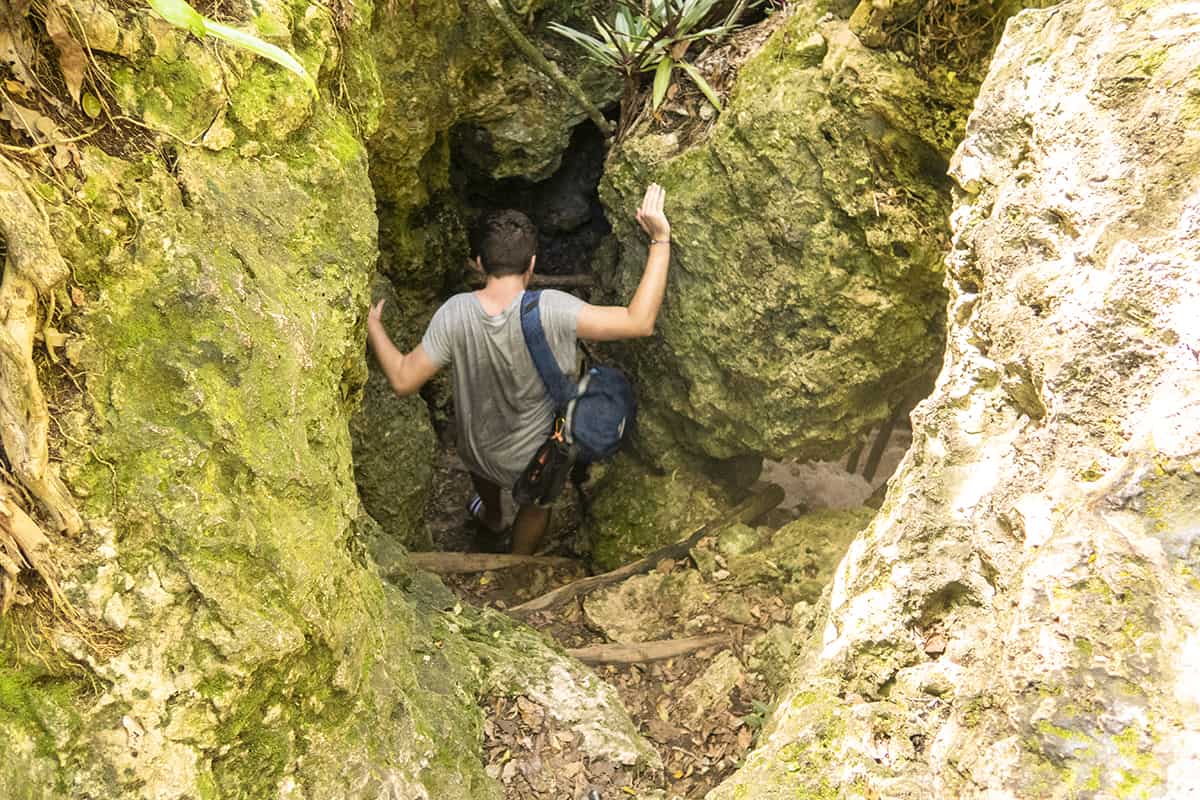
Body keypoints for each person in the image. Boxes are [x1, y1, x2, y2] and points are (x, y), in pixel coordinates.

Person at [366, 183, 671, 555]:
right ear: (531, 264)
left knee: (484, 472)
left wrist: (374, 328)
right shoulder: (554, 309)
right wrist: (660, 241)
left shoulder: (454, 313)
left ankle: (493, 517)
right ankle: (518, 564)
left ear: (478, 263)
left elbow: (401, 379)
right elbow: (639, 321)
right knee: (536, 503)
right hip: (535, 459)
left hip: (477, 449)